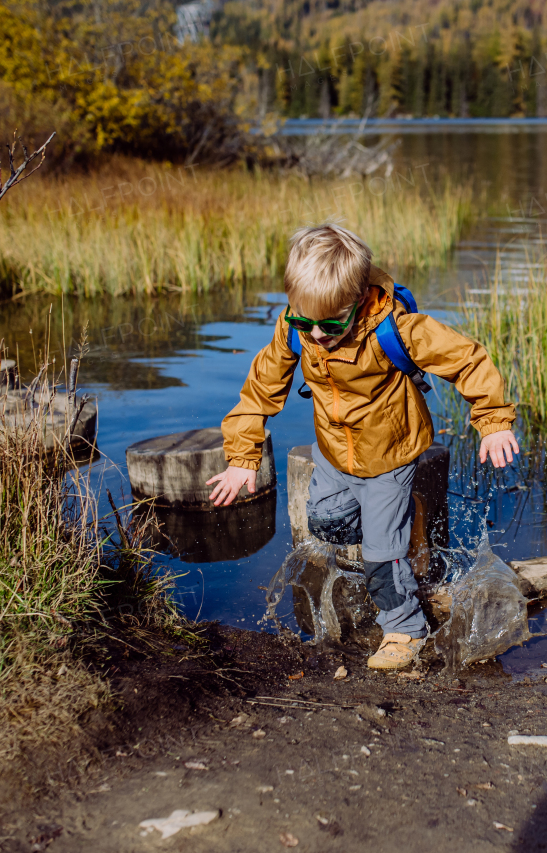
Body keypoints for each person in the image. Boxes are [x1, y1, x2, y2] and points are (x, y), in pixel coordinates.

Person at [207, 223, 519, 670]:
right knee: (325, 522)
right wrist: (242, 459)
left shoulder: (396, 329)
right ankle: (402, 528)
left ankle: (403, 629)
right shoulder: (296, 328)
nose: (315, 335)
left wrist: (492, 423)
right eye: (303, 322)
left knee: (379, 554)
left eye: (330, 324)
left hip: (389, 454)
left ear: (356, 301)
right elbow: (260, 389)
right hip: (334, 452)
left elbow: (467, 359)